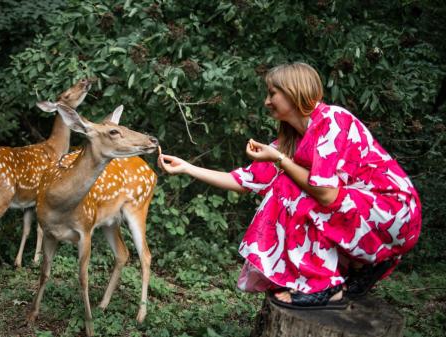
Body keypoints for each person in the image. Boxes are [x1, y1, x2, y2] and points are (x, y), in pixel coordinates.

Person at [157, 62, 422, 310]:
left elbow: (327, 195)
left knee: (292, 186)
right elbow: (244, 181)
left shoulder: (332, 120)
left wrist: (281, 161)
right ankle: (361, 267)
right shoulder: (290, 143)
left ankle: (325, 286)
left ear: (294, 91)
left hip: (395, 212)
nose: (267, 101)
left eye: (273, 93)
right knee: (292, 181)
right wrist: (187, 167)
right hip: (364, 217)